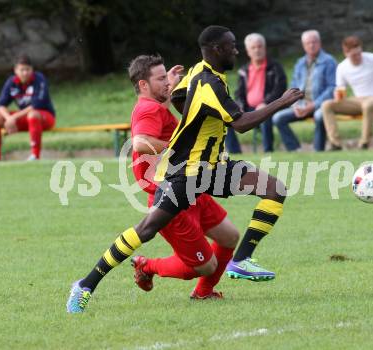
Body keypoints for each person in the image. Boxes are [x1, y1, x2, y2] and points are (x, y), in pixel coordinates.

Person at [67, 25, 303, 312]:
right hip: (188, 174)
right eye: (231, 46)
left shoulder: (198, 73)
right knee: (147, 229)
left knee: (274, 189)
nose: (236, 50)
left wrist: (193, 119)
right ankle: (86, 284)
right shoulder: (209, 85)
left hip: (213, 167)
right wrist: (282, 102)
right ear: (216, 49)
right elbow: (240, 124)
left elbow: (179, 97)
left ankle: (240, 261)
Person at [66, 54, 240, 313]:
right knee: (205, 266)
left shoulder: (156, 106)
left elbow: (160, 119)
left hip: (190, 185)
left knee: (230, 237)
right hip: (169, 196)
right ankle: (146, 266)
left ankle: (204, 293)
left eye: (166, 77)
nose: (167, 83)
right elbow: (139, 142)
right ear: (143, 85)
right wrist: (178, 147)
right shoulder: (148, 110)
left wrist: (168, 86)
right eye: (160, 79)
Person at [322, 36, 373, 150]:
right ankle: (336, 143)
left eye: (359, 53)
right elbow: (339, 88)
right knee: (327, 105)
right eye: (354, 55)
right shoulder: (342, 67)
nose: (358, 57)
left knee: (367, 105)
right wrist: (337, 95)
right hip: (357, 101)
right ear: (346, 53)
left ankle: (364, 143)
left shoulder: (372, 59)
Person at [272, 30, 336, 152]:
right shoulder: (300, 63)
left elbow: (332, 88)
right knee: (278, 118)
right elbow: (294, 87)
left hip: (321, 105)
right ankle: (295, 150)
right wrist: (296, 105)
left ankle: (318, 150)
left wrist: (313, 105)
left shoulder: (329, 61)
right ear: (303, 45)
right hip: (302, 106)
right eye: (308, 43)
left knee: (319, 116)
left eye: (314, 42)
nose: (311, 45)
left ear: (320, 43)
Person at [226, 33, 287, 153]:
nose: (257, 50)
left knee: (264, 115)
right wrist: (240, 106)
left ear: (264, 48)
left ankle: (267, 151)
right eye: (253, 48)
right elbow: (239, 93)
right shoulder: (243, 70)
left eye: (260, 46)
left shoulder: (275, 67)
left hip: (270, 106)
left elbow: (280, 89)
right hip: (248, 108)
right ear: (248, 51)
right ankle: (235, 153)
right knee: (226, 119)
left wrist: (266, 103)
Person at [0, 54, 56, 161]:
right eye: (22, 70)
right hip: (23, 118)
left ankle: (35, 156)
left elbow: (36, 105)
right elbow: (1, 105)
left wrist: (14, 118)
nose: (25, 73)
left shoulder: (39, 79)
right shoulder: (11, 82)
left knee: (32, 114)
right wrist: (9, 119)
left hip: (44, 117)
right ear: (15, 70)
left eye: (27, 69)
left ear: (32, 69)